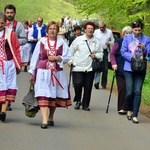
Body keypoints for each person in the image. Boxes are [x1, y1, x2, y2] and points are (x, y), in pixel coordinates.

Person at [28, 21, 72, 129]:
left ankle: (51, 116)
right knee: (43, 95)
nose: (52, 31)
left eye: (55, 29)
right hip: (43, 73)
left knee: (53, 95)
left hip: (57, 73)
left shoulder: (62, 42)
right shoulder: (41, 42)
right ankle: (44, 120)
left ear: (57, 31)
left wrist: (58, 58)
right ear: (47, 30)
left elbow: (68, 56)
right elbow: (35, 57)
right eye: (50, 29)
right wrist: (32, 72)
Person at [68, 22, 103, 111]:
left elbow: (101, 54)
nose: (90, 30)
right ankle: (78, 100)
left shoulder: (96, 41)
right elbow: (70, 51)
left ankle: (85, 104)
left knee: (88, 87)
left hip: (90, 68)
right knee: (78, 84)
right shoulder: (78, 40)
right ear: (85, 30)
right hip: (78, 66)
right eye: (89, 28)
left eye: (92, 29)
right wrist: (70, 60)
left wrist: (95, 56)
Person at [121, 20, 150, 123]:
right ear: (132, 29)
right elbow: (123, 52)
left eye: (139, 30)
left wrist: (144, 49)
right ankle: (129, 108)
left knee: (137, 91)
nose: (137, 32)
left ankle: (135, 114)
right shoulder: (127, 38)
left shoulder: (146, 39)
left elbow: (149, 52)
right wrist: (132, 57)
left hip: (140, 69)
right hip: (129, 68)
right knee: (129, 92)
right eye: (135, 30)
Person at [4, 4, 27, 111]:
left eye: (11, 13)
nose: (9, 14)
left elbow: (24, 39)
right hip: (1, 57)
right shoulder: (1, 24)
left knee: (9, 82)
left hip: (12, 57)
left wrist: (12, 40)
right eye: (7, 13)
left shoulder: (18, 26)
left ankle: (7, 102)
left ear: (14, 13)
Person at [0, 12, 21, 121]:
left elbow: (16, 48)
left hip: (8, 64)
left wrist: (18, 64)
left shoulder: (10, 33)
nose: (0, 25)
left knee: (8, 86)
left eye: (2, 23)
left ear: (5, 23)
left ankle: (3, 111)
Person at [110, 26, 132, 114]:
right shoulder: (118, 42)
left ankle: (130, 107)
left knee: (130, 89)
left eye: (129, 33)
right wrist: (114, 64)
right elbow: (112, 54)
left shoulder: (134, 43)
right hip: (120, 69)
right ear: (123, 34)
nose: (128, 35)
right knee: (122, 88)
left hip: (131, 70)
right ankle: (122, 107)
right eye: (126, 33)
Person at [94, 21, 114, 89]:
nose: (101, 29)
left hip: (105, 51)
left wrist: (109, 42)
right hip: (97, 51)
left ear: (105, 26)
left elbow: (113, 41)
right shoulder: (96, 32)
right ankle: (96, 82)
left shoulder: (109, 32)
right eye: (100, 27)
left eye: (102, 27)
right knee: (97, 67)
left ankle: (104, 84)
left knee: (105, 68)